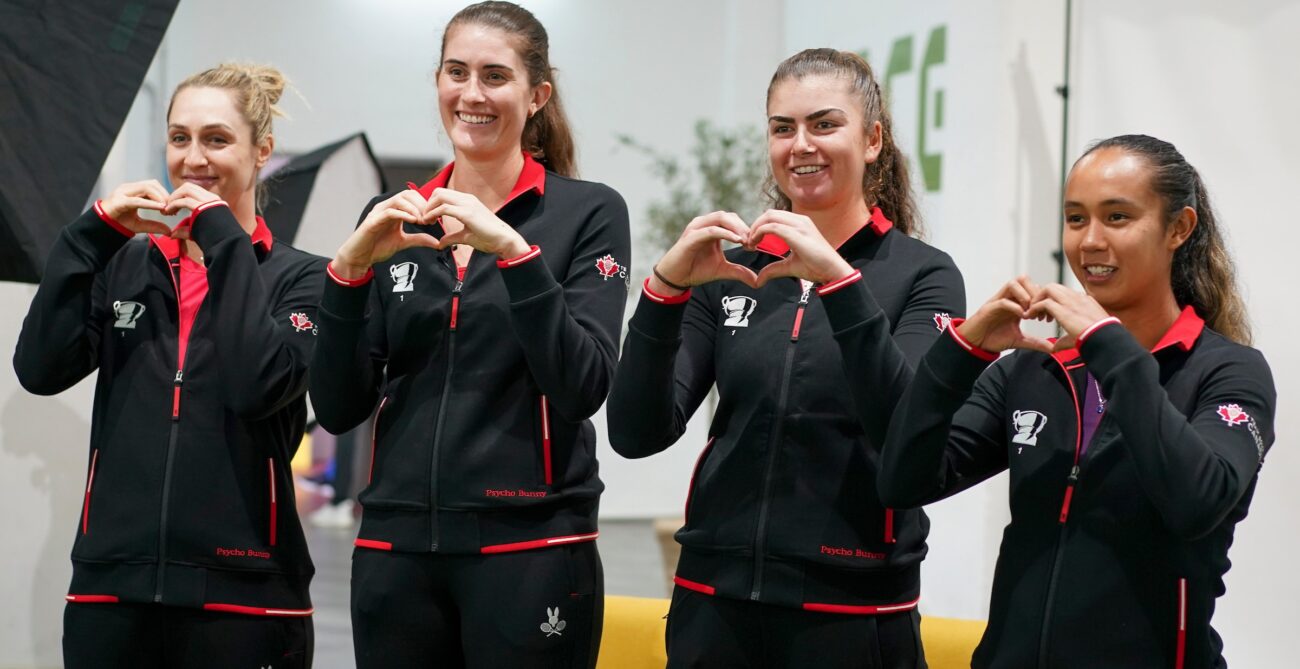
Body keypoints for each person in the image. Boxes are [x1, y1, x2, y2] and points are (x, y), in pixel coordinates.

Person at [607, 48, 965, 668]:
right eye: (783, 127)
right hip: (712, 603)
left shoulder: (925, 277)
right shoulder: (733, 271)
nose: (801, 145)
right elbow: (636, 432)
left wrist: (838, 282)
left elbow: (908, 435)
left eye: (825, 124)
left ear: (873, 139)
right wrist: (664, 291)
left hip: (852, 611)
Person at [308, 2, 630, 667]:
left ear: (536, 94)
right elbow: (340, 407)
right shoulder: (393, 219)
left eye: (495, 75)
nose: (472, 94)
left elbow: (583, 383)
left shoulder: (588, 213)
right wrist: (345, 274)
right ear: (437, 82)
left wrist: (513, 253)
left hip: (530, 547)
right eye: (457, 72)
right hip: (394, 550)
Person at [878, 134, 1275, 668]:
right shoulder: (1035, 367)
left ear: (1178, 228)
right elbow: (904, 480)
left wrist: (1109, 346)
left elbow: (1195, 502)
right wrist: (962, 352)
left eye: (1117, 218)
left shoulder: (1228, 371)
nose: (1089, 241)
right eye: (1075, 218)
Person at [13, 63, 323, 668]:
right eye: (180, 138)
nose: (194, 158)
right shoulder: (125, 266)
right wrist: (88, 239)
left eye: (216, 139)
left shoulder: (303, 278)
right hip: (113, 589)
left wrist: (225, 242)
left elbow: (257, 386)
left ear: (262, 151)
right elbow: (39, 370)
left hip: (248, 594)